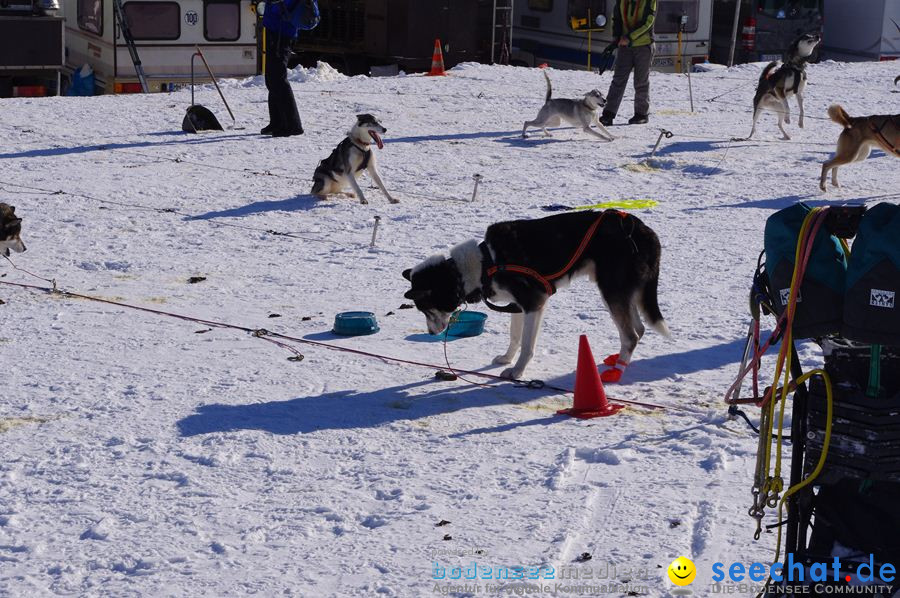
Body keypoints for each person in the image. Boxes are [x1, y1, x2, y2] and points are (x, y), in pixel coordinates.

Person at [599, 0, 657, 126]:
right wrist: (616, 38)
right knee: (618, 80)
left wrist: (629, 37)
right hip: (625, 46)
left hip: (644, 45)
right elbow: (617, 18)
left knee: (641, 81)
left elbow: (648, 23)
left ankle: (641, 115)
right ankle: (608, 114)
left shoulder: (650, 1)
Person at [261, 0, 308, 137]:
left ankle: (293, 125)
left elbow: (281, 7)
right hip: (275, 29)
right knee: (271, 78)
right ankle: (277, 121)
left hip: (282, 32)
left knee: (278, 79)